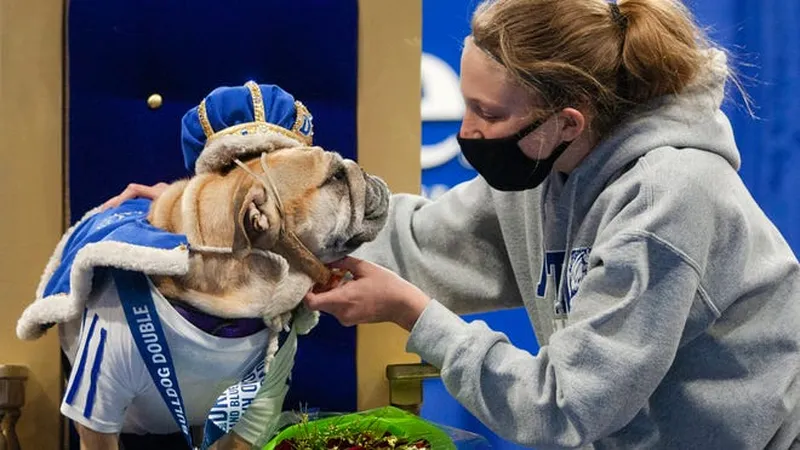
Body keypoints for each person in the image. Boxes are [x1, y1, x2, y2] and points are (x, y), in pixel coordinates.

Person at [106, 0, 800, 447]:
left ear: (568, 121)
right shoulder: (543, 171)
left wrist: (412, 314)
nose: (467, 132)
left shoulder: (670, 198)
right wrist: (204, 210)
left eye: (490, 116)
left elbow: (562, 409)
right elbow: (414, 239)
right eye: (464, 104)